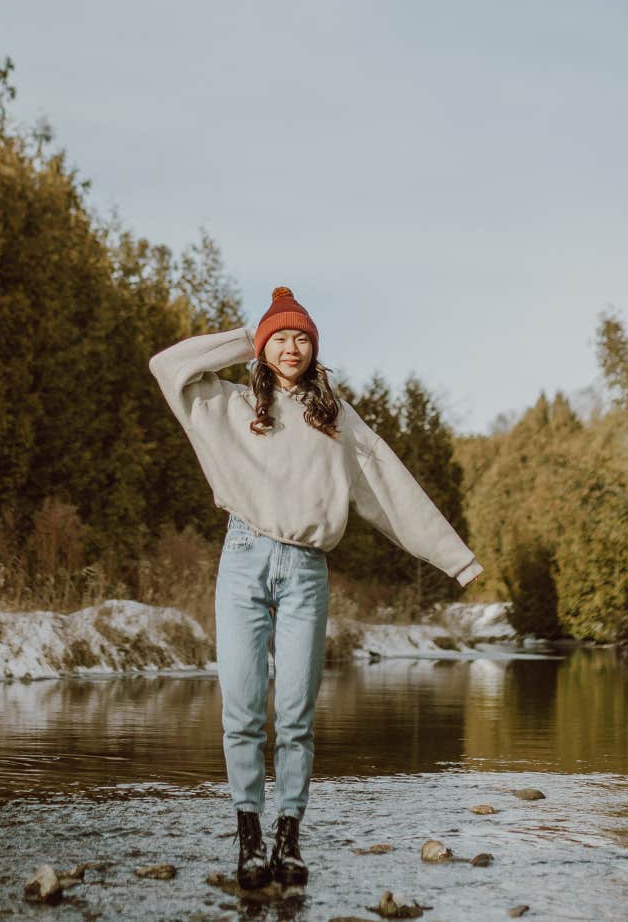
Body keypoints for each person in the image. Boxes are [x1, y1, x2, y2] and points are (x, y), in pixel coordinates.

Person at [149, 286, 482, 890]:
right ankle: (249, 838)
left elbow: (389, 486)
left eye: (302, 337)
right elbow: (166, 366)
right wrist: (246, 337)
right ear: (263, 345)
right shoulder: (225, 405)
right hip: (244, 559)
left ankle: (289, 839)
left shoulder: (333, 416)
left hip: (306, 570)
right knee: (243, 711)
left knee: (297, 715)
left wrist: (454, 559)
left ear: (315, 348)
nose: (291, 347)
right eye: (279, 337)